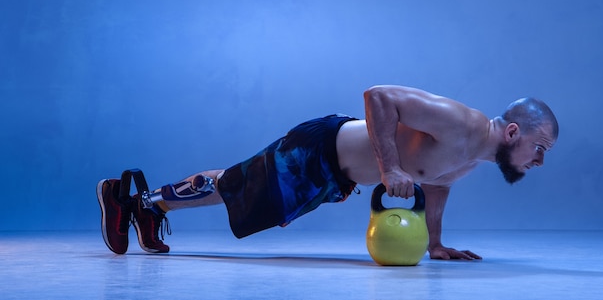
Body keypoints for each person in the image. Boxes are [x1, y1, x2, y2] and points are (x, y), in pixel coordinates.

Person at [97, 85, 559, 260]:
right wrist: (390, 166)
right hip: (318, 147)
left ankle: (146, 204)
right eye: (539, 149)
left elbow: (435, 185)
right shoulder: (461, 123)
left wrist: (434, 244)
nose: (539, 162)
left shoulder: (472, 156)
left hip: (336, 176)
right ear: (513, 131)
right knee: (235, 186)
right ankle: (130, 199)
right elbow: (379, 97)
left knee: (238, 189)